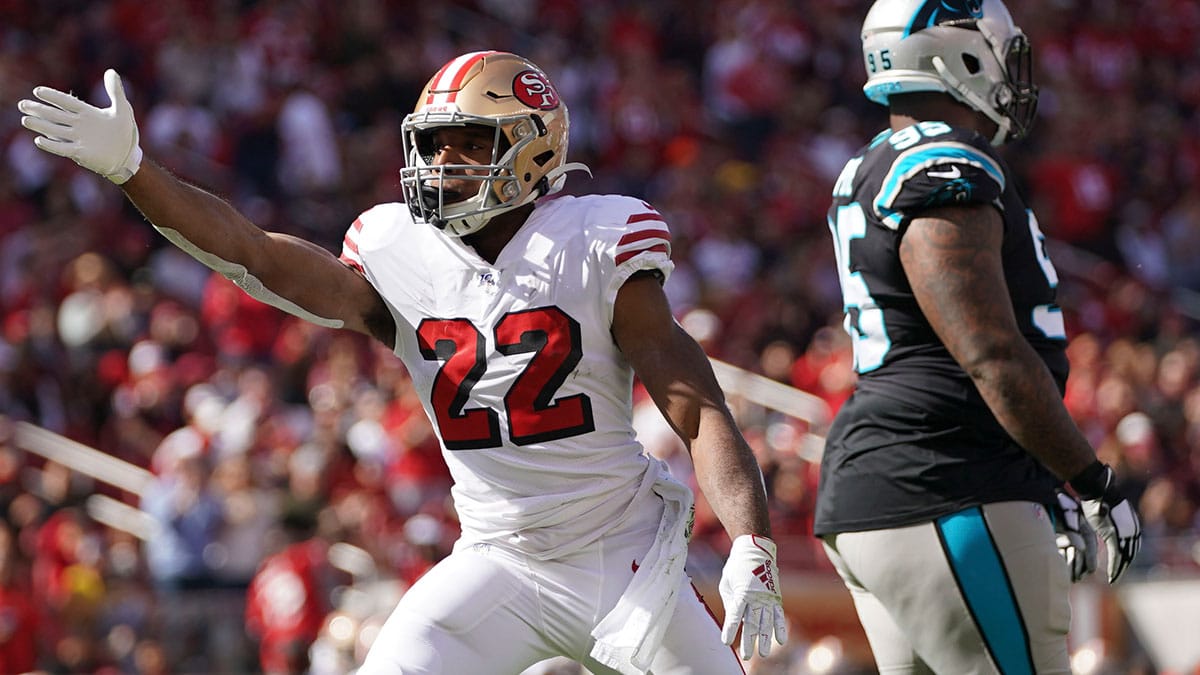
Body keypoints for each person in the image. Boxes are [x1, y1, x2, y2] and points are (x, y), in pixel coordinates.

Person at [18, 50, 787, 674]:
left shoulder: (595, 242)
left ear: (538, 147)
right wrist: (134, 172)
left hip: (622, 561)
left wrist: (750, 539)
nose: (444, 159)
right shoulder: (397, 252)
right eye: (435, 140)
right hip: (499, 558)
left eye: (471, 142)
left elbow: (697, 407)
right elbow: (252, 254)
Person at [813, 1, 1143, 673]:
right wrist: (1088, 479)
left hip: (891, 489)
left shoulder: (873, 162)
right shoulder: (945, 164)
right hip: (949, 483)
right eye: (997, 48)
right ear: (952, 53)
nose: (1010, 69)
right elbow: (988, 352)